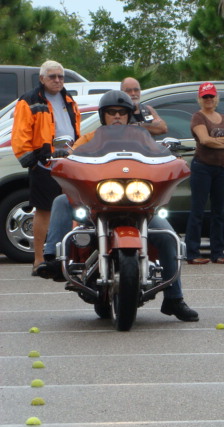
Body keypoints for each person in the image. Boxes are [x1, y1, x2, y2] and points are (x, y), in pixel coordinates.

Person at [36, 91, 199, 322]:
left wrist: (171, 155)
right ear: (103, 116)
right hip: (98, 203)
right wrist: (63, 153)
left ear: (129, 115)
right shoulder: (90, 138)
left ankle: (174, 299)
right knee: (62, 200)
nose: (117, 117)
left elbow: (158, 156)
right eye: (111, 113)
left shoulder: (142, 139)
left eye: (121, 113)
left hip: (140, 205)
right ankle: (52, 258)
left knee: (167, 235)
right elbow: (72, 155)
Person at [11, 60, 81, 274]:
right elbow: (20, 135)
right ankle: (39, 259)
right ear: (42, 79)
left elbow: (76, 128)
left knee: (74, 210)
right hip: (44, 163)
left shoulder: (68, 99)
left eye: (60, 76)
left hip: (69, 162)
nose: (58, 80)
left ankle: (70, 258)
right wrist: (32, 160)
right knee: (44, 211)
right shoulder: (29, 101)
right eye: (52, 76)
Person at [184, 82, 224, 265]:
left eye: (211, 96)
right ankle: (192, 252)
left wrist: (217, 141)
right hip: (202, 167)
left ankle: (217, 253)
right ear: (200, 99)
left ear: (216, 98)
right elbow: (204, 140)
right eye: (205, 96)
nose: (208, 99)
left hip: (221, 168)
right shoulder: (198, 117)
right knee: (198, 210)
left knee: (218, 212)